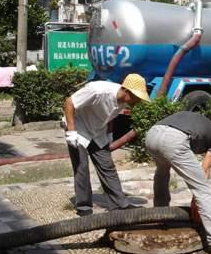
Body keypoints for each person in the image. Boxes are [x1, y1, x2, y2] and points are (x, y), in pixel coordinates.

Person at [145, 111, 211, 254]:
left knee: (162, 173)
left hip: (152, 134)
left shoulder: (196, 122)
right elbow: (205, 168)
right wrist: (196, 201)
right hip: (174, 139)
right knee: (203, 189)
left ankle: (160, 215)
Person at [63, 73, 150, 216]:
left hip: (98, 132)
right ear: (127, 91)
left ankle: (119, 204)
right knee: (81, 167)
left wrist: (109, 134)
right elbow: (69, 103)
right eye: (137, 97)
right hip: (79, 128)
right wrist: (71, 131)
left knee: (107, 166)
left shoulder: (123, 101)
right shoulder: (97, 91)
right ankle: (84, 208)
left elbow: (110, 116)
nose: (138, 101)